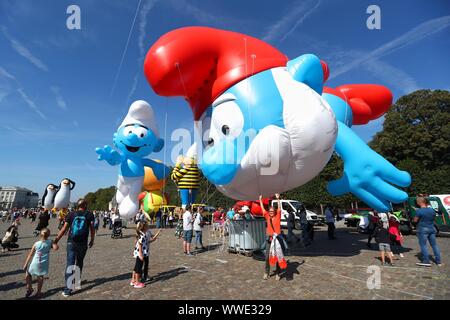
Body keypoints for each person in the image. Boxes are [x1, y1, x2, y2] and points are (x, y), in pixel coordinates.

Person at [54, 199, 95, 297]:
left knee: (70, 264)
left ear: (77, 205)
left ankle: (68, 289)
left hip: (71, 242)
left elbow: (64, 229)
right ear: (85, 205)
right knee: (79, 262)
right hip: (83, 242)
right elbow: (92, 229)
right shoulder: (89, 214)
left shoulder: (71, 214)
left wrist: (55, 240)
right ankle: (76, 282)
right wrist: (92, 240)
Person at [23, 228, 59, 298]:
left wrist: (25, 264)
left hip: (35, 262)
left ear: (40, 235)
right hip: (44, 262)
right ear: (49, 235)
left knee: (28, 273)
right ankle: (38, 292)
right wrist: (54, 242)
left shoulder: (36, 244)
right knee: (40, 276)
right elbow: (56, 248)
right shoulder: (50, 242)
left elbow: (30, 254)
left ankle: (30, 288)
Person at [259, 194, 287, 281]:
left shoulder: (277, 216)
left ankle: (278, 273)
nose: (271, 212)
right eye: (270, 211)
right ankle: (266, 272)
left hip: (277, 239)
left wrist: (278, 199)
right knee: (267, 256)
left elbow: (279, 208)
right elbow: (262, 208)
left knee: (278, 256)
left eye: (272, 211)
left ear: (274, 211)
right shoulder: (267, 215)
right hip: (269, 239)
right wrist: (260, 199)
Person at [130, 221, 161, 288]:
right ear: (144, 227)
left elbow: (146, 242)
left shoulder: (142, 234)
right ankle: (137, 282)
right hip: (141, 253)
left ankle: (133, 280)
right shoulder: (142, 235)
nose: (148, 227)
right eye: (147, 226)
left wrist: (154, 239)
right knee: (138, 268)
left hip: (142, 252)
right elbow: (140, 244)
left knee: (136, 267)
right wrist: (140, 254)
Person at [414, 197, 442, 267]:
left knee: (423, 245)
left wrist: (417, 213)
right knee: (434, 245)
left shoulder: (419, 211)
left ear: (420, 202)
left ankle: (426, 261)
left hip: (423, 229)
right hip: (432, 228)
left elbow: (415, 220)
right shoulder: (432, 210)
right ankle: (438, 261)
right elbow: (433, 218)